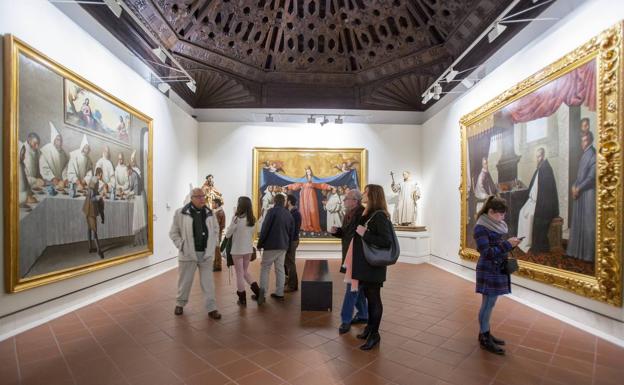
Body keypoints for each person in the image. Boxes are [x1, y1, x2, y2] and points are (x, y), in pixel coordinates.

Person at [474, 196, 521, 355]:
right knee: (487, 304)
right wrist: (508, 244)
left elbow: (497, 247)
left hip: (497, 268)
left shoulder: (496, 225)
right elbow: (486, 253)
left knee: (491, 303)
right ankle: (484, 337)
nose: (502, 218)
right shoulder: (480, 227)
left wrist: (510, 243)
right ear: (491, 212)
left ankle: (485, 333)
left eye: (503, 215)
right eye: (500, 214)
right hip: (488, 268)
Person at [352, 184, 393, 350]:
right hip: (366, 264)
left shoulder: (380, 216)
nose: (363, 194)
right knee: (369, 297)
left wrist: (365, 234)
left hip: (374, 265)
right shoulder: (368, 213)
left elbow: (385, 241)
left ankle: (375, 334)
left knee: (374, 298)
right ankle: (370, 327)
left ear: (373, 195)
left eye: (366, 192)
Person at [169, 188, 222, 319]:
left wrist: (213, 244)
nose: (202, 198)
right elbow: (173, 233)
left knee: (208, 283)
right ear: (192, 198)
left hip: (206, 254)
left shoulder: (210, 213)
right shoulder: (180, 213)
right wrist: (181, 245)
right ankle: (180, 304)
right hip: (188, 254)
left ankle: (212, 308)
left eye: (203, 196)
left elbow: (216, 229)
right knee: (185, 282)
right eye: (198, 196)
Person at [330, 189, 368, 335]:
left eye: (347, 198)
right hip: (349, 254)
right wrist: (337, 232)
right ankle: (364, 315)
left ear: (355, 201)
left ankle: (345, 320)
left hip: (357, 256)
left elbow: (361, 235)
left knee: (351, 287)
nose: (344, 200)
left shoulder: (363, 214)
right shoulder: (349, 213)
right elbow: (347, 234)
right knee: (357, 287)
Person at [517, 148, 559, 253]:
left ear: (543, 156)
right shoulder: (540, 168)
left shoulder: (546, 169)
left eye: (539, 156)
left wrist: (535, 200)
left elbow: (547, 192)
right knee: (522, 212)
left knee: (529, 215)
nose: (538, 158)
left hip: (542, 204)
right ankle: (522, 241)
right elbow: (533, 187)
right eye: (537, 156)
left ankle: (527, 243)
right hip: (534, 200)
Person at [255, 193, 294, 304]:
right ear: (284, 202)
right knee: (280, 269)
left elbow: (265, 228)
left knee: (265, 268)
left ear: (275, 201)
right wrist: (288, 246)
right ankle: (280, 293)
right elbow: (291, 232)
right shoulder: (288, 214)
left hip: (271, 245)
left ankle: (262, 294)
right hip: (283, 246)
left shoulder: (271, 212)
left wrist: (260, 243)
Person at [225, 196, 261, 306]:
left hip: (237, 250)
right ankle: (259, 293)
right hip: (248, 250)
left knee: (239, 274)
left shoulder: (236, 219)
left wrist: (233, 222)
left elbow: (228, 234)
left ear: (240, 205)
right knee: (244, 272)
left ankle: (242, 298)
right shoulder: (252, 219)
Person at [567, 131, 596, 262]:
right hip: (580, 193)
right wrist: (574, 186)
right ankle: (577, 253)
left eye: (585, 140)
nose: (583, 143)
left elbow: (591, 177)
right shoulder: (585, 154)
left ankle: (588, 255)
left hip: (588, 193)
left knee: (588, 224)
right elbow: (579, 176)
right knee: (579, 223)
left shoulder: (593, 154)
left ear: (590, 140)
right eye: (582, 140)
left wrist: (578, 188)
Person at [286, 167, 331, 233]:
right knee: (305, 210)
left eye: (309, 171)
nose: (308, 172)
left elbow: (320, 184)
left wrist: (328, 187)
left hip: (311, 196)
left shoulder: (314, 179)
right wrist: (288, 187)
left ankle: (314, 226)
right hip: (304, 196)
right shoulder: (303, 179)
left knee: (312, 209)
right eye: (307, 171)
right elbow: (296, 185)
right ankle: (306, 226)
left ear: (311, 171)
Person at [83, 167, 106, 259]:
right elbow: (92, 198)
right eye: (102, 174)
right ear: (99, 174)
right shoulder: (95, 181)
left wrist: (99, 194)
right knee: (94, 230)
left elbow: (93, 193)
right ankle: (99, 251)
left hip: (87, 208)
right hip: (90, 208)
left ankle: (90, 248)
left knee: (89, 228)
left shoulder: (93, 179)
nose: (102, 176)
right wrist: (99, 197)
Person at [39, 122, 68, 187]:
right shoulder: (46, 150)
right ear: (53, 140)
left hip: (60, 182)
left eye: (61, 140)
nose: (60, 142)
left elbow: (65, 168)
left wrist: (65, 179)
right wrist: (52, 178)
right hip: (49, 181)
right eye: (58, 140)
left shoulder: (63, 153)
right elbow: (44, 168)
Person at [284, 194, 302, 293]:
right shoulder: (290, 212)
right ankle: (288, 282)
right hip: (289, 240)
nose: (285, 201)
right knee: (286, 262)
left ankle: (292, 285)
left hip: (292, 241)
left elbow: (293, 230)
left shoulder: (295, 214)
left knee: (290, 263)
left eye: (286, 200)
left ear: (289, 202)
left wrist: (288, 244)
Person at [211, 198, 226, 272]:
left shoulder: (219, 212)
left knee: (216, 250)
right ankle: (215, 265)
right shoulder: (217, 212)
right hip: (215, 234)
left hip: (216, 234)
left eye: (213, 203)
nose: (212, 204)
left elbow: (221, 225)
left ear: (217, 204)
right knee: (215, 250)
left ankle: (217, 266)